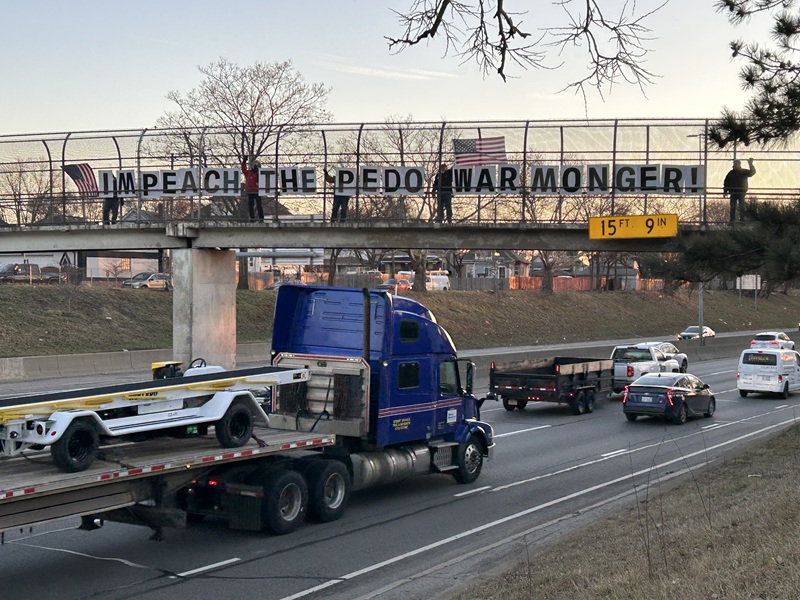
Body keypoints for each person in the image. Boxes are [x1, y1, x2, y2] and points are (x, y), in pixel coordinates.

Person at [723, 158, 756, 223]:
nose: (734, 165)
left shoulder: (736, 172)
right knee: (735, 207)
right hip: (736, 192)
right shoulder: (733, 173)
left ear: (739, 164)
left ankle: (739, 221)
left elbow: (752, 172)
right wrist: (725, 191)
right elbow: (726, 182)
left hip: (739, 192)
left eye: (736, 164)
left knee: (740, 207)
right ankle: (735, 221)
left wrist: (750, 164)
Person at [241, 157, 264, 221]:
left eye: (256, 165)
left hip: (257, 191)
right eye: (254, 165)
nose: (254, 166)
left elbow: (261, 181)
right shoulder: (249, 172)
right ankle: (252, 218)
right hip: (250, 191)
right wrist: (244, 162)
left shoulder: (259, 174)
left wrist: (257, 173)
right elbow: (243, 169)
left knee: (259, 205)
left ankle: (261, 218)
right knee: (250, 205)